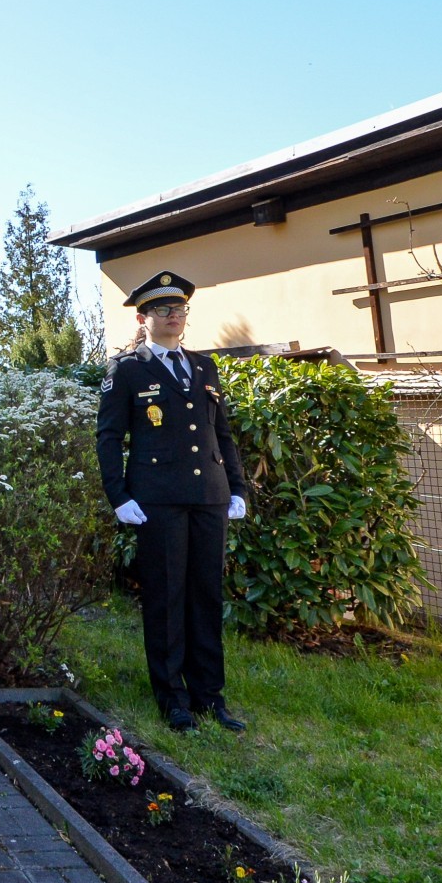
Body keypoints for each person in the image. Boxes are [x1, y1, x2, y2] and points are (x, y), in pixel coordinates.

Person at [96, 270, 249, 733]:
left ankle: (209, 696)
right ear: (143, 318)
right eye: (164, 310)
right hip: (157, 500)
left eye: (179, 309)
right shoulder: (127, 369)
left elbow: (221, 433)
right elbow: (108, 437)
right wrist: (119, 495)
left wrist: (238, 488)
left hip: (208, 497)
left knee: (205, 595)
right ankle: (172, 698)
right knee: (167, 598)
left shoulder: (204, 367)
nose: (174, 317)